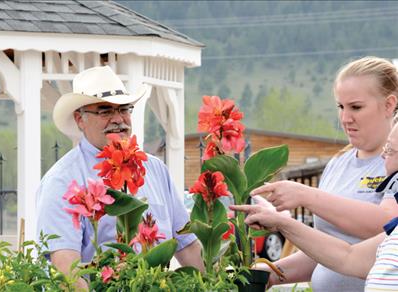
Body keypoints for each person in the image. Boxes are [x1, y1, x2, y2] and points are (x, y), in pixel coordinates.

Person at [236, 56, 398, 291]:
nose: (345, 118)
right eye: (340, 107)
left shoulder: (392, 167)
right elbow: (328, 252)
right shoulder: (338, 164)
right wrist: (271, 273)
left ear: (389, 104)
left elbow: (386, 226)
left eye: (356, 107)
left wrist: (306, 196)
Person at [36, 66, 203, 289]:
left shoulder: (155, 170)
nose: (118, 119)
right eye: (105, 111)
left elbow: (188, 246)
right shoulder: (62, 181)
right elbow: (66, 268)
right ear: (80, 120)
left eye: (124, 109)